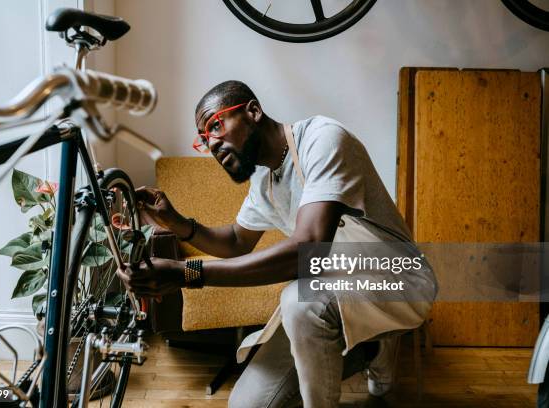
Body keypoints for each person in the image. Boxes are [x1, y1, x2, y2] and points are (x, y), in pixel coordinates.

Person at [117, 80, 437, 408]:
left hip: (400, 279)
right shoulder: (265, 183)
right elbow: (236, 241)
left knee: (299, 301)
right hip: (338, 289)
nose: (211, 143)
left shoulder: (322, 138)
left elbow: (308, 247)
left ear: (253, 111)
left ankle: (371, 342)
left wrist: (189, 273)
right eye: (203, 139)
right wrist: (176, 222)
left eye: (215, 125)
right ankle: (371, 347)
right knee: (247, 405)